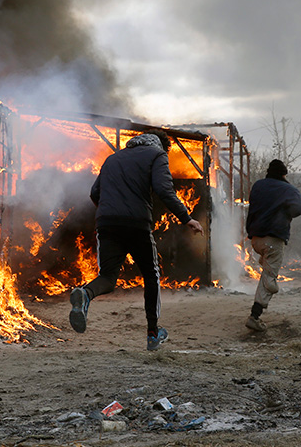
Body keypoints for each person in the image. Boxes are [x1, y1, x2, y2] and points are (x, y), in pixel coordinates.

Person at [69, 129, 204, 350]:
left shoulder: (112, 158)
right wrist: (186, 218)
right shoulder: (156, 155)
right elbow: (163, 189)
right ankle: (153, 333)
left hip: (106, 223)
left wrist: (110, 213)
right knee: (151, 276)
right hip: (136, 224)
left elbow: (95, 193)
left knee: (108, 277)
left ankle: (85, 294)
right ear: (161, 146)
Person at [244, 159, 301, 332]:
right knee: (269, 279)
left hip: (255, 239)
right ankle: (254, 316)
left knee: (266, 271)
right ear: (284, 174)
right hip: (273, 239)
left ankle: (266, 287)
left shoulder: (258, 186)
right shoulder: (288, 190)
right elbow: (299, 208)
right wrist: (285, 212)